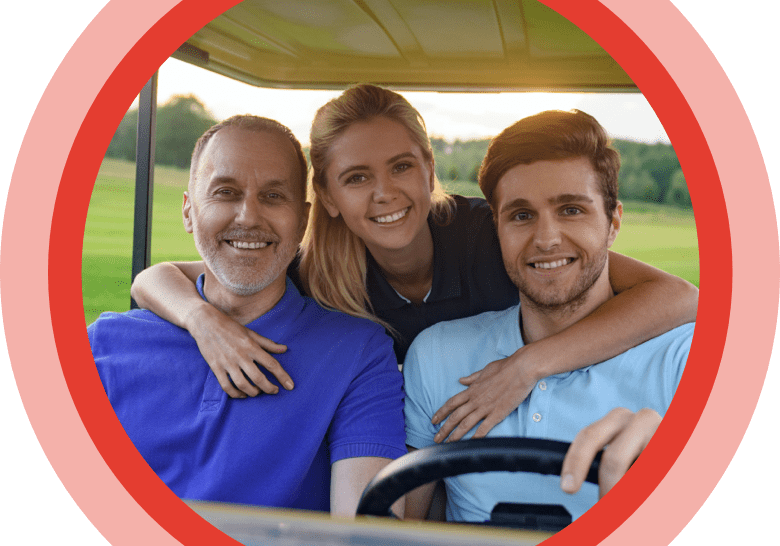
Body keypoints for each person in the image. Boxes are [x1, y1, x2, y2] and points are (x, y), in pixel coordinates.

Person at [131, 84, 698, 443]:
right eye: (356, 178)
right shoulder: (321, 270)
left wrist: (529, 365)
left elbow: (680, 298)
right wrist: (202, 320)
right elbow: (156, 279)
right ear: (326, 196)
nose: (385, 194)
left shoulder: (495, 232)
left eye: (401, 167)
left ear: (429, 171)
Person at [89, 116, 406, 517]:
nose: (248, 217)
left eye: (273, 197)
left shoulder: (358, 353)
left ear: (304, 220)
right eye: (225, 192)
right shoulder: (103, 344)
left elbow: (364, 530)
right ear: (189, 211)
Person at [403, 110, 695, 522]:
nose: (546, 239)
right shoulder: (436, 355)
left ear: (613, 224)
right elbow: (402, 526)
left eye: (571, 210)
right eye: (521, 216)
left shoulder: (685, 360)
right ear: (497, 229)